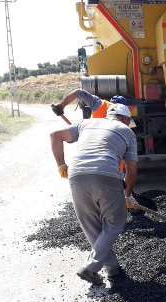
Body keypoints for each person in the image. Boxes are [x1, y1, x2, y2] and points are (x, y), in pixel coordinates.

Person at [50, 103, 139, 286]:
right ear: (124, 119)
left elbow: (55, 135)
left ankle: (113, 269)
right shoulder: (127, 131)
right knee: (114, 221)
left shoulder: (86, 124)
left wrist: (61, 165)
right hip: (106, 174)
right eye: (128, 121)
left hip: (77, 176)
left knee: (91, 225)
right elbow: (131, 169)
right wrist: (128, 195)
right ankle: (90, 268)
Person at [52, 89, 128, 119]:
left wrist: (61, 106)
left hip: (97, 108)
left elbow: (78, 93)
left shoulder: (101, 103)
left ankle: (60, 106)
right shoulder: (120, 117)